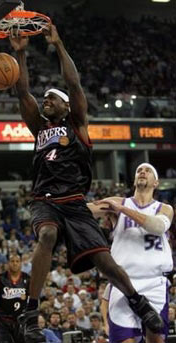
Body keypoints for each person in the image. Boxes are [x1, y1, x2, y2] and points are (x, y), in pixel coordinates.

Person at [9, 25, 163, 343]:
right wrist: (20, 52)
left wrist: (58, 44)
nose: (46, 100)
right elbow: (23, 92)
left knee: (104, 261)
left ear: (68, 106)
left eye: (53, 98)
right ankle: (31, 314)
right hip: (45, 200)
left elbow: (74, 83)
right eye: (46, 98)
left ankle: (138, 301)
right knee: (48, 234)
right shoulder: (39, 128)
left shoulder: (77, 124)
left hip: (75, 202)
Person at [90, 163, 174, 343]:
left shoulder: (163, 208)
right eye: (138, 171)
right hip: (123, 283)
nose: (142, 172)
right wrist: (61, 202)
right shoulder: (118, 202)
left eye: (148, 170)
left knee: (156, 340)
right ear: (134, 180)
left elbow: (158, 226)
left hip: (154, 283)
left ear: (156, 183)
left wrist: (123, 211)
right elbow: (85, 210)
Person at [0, 254, 30, 343]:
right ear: (8, 263)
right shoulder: (0, 278)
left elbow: (32, 302)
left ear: (21, 263)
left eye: (17, 261)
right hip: (2, 321)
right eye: (12, 261)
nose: (15, 264)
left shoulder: (27, 279)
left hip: (20, 321)